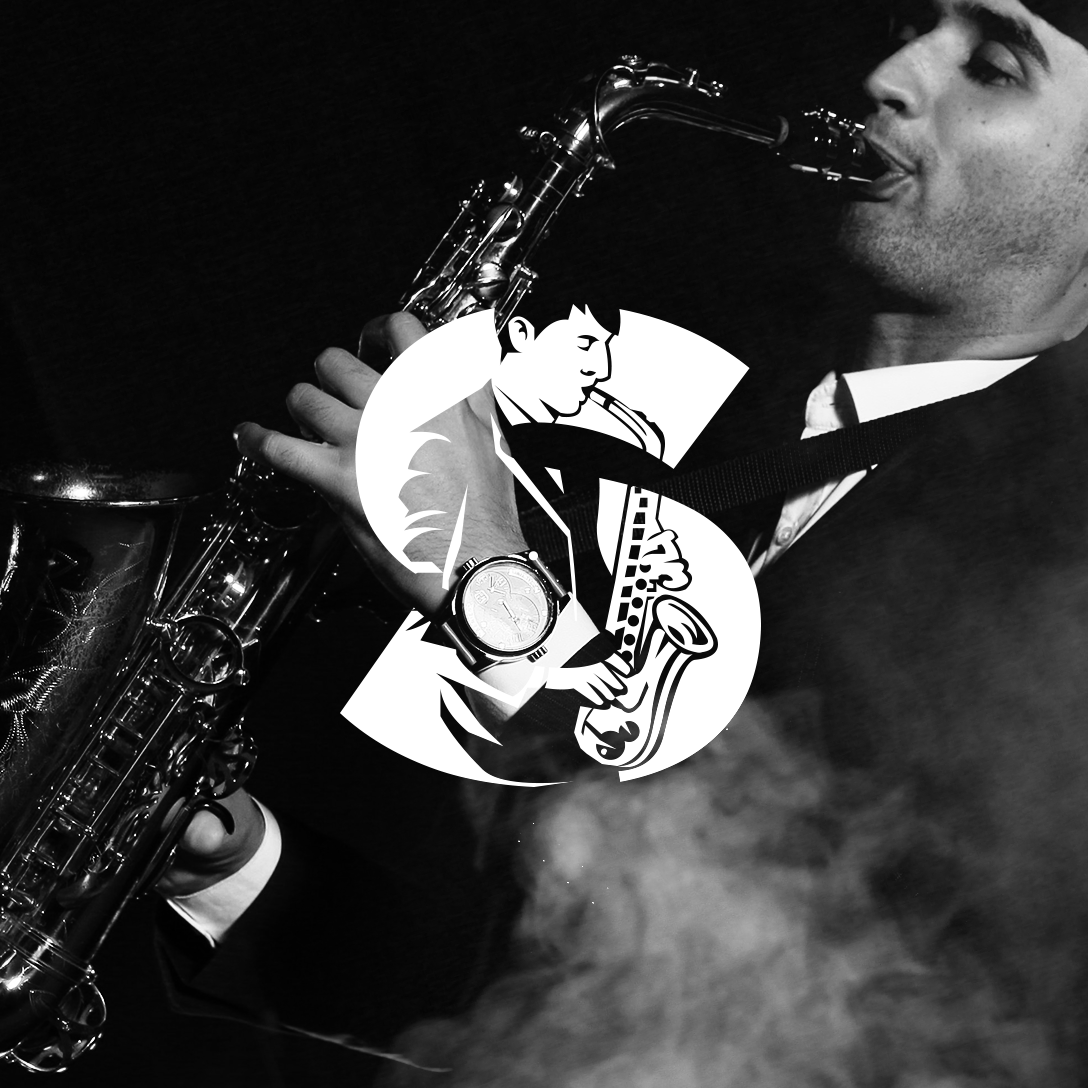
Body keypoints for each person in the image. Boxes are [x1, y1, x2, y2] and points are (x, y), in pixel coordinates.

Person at [159, 0, 1088, 1071]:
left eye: (994, 65)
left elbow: (850, 999)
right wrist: (241, 871)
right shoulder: (716, 413)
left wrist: (491, 583)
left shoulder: (1054, 575)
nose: (889, 73)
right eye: (908, 26)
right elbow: (534, 980)